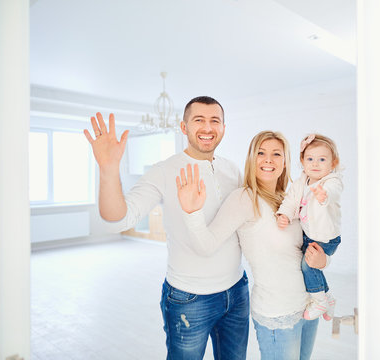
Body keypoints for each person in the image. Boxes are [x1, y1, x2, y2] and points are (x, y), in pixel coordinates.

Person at [83, 96, 250, 360]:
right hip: (189, 299)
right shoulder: (164, 171)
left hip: (237, 291)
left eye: (214, 121)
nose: (207, 128)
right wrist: (108, 168)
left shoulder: (232, 169)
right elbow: (118, 219)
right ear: (183, 127)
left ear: (223, 128)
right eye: (199, 120)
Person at [176, 130, 328, 359]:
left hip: (307, 305)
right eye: (261, 153)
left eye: (276, 154)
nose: (268, 159)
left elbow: (304, 248)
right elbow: (206, 245)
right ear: (251, 159)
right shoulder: (243, 199)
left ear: (285, 161)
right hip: (277, 312)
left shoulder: (289, 199)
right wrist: (192, 212)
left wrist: (323, 259)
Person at [276, 134, 343, 321]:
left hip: (325, 237)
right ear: (303, 161)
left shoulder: (331, 181)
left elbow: (334, 191)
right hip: (309, 236)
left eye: (322, 159)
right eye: (310, 159)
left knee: (308, 266)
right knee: (311, 267)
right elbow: (291, 200)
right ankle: (328, 298)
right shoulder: (302, 182)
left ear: (333, 163)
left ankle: (319, 300)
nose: (315, 164)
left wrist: (324, 195)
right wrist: (285, 215)